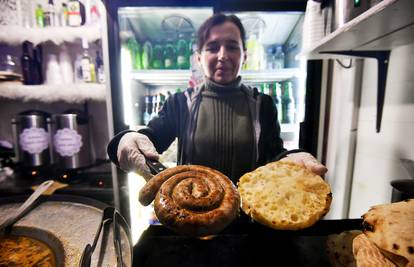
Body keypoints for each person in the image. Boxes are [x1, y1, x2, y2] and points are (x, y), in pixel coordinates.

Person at [107, 13, 327, 183]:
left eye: (232, 47)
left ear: (244, 56)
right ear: (199, 58)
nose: (223, 55)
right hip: (191, 218)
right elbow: (150, 140)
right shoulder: (180, 103)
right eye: (213, 47)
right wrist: (125, 140)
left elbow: (274, 155)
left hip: (249, 219)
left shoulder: (264, 104)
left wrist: (292, 159)